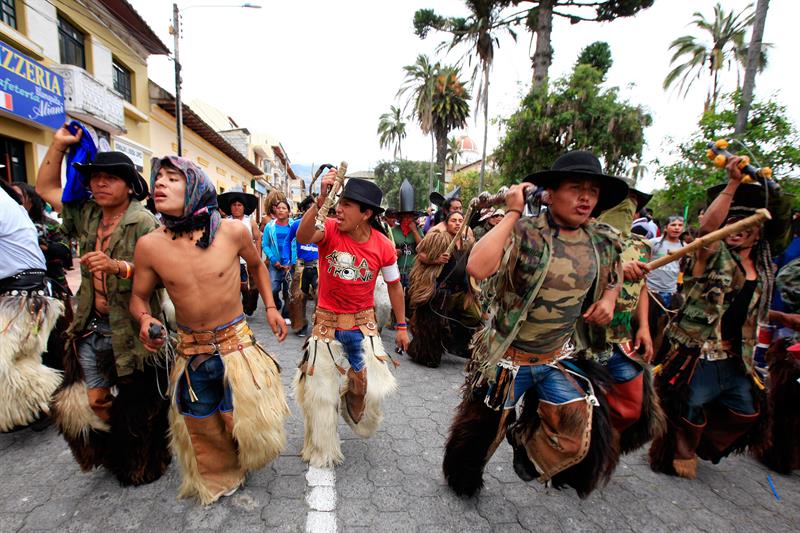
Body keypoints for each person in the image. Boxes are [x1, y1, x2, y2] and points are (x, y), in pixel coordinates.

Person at [442, 150, 627, 499]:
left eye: (593, 190)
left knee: (577, 434)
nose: (585, 197)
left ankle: (525, 441)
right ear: (550, 193)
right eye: (575, 188)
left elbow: (615, 276)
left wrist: (609, 299)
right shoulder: (525, 232)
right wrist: (513, 211)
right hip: (508, 358)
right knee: (480, 437)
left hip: (558, 357)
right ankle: (465, 477)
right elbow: (477, 268)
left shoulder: (601, 241)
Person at [130, 156, 289, 504]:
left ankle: (244, 456)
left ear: (196, 186)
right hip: (191, 351)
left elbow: (258, 266)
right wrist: (145, 320)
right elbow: (139, 299)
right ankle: (219, 476)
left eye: (172, 179)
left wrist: (273, 308)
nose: (159, 184)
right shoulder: (149, 246)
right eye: (158, 179)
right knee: (200, 421)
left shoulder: (233, 231)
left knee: (240, 420)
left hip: (236, 346)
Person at [35, 124, 171, 486]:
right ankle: (114, 449)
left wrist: (119, 267)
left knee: (141, 403)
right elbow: (45, 189)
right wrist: (59, 145)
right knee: (95, 400)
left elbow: (162, 273)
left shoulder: (144, 222)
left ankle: (144, 458)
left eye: (109, 179)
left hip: (132, 329)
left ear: (128, 186)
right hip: (91, 326)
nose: (99, 184)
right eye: (95, 178)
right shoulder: (88, 216)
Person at [649, 157, 792, 480]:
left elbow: (782, 222)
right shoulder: (712, 255)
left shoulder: (764, 265)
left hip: (738, 355)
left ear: (758, 232)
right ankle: (680, 451)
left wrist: (772, 190)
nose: (737, 229)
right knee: (688, 407)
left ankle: (703, 445)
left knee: (747, 411)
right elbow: (708, 230)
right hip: (700, 352)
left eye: (746, 223)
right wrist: (731, 184)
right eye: (733, 220)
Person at [294, 173, 409, 468]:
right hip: (326, 327)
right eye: (338, 203)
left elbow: (395, 286)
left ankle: (349, 401)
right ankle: (322, 450)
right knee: (321, 395)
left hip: (362, 327)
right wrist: (321, 200)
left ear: (366, 213)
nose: (339, 210)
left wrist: (402, 326)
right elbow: (303, 236)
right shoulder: (329, 229)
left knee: (363, 390)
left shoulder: (383, 245)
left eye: (346, 204)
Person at [597, 182, 666, 455]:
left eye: (634, 201)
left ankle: (601, 447)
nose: (628, 206)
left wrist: (645, 328)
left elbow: (642, 288)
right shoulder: (587, 240)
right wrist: (615, 269)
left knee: (631, 407)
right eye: (623, 200)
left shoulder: (641, 247)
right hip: (582, 338)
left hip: (620, 339)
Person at [0, 182, 64, 432]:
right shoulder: (11, 206)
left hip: (21, 297)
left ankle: (54, 396)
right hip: (26, 294)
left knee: (11, 364)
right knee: (19, 360)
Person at [10, 182, 73, 373]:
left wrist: (44, 247)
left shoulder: (49, 224)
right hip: (14, 297)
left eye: (19, 196)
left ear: (30, 199)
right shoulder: (9, 226)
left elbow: (65, 251)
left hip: (52, 291)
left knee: (57, 343)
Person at [407, 211, 480, 367]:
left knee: (474, 317)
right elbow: (421, 254)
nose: (458, 223)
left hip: (460, 291)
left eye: (460, 220)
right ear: (447, 223)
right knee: (433, 325)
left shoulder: (467, 242)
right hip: (440, 290)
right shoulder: (439, 237)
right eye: (453, 220)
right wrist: (436, 259)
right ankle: (424, 354)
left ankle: (457, 346)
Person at [218, 185, 262, 316]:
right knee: (233, 286)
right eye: (234, 205)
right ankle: (235, 310)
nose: (236, 207)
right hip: (231, 260)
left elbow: (258, 238)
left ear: (244, 207)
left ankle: (248, 306)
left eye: (239, 205)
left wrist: (258, 255)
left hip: (247, 259)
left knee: (248, 288)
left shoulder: (250, 221)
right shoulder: (224, 222)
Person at [283, 195, 319, 337]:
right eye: (309, 209)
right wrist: (286, 260)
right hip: (301, 265)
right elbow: (287, 241)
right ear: (304, 211)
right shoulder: (297, 224)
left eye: (315, 209)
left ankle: (320, 327)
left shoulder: (323, 224)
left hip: (319, 266)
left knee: (320, 296)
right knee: (297, 296)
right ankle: (299, 325)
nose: (312, 212)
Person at [262, 199, 293, 321]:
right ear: (275, 210)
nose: (281, 210)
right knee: (273, 288)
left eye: (284, 208)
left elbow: (297, 244)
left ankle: (286, 314)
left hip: (289, 264)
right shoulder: (270, 227)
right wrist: (273, 259)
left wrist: (291, 262)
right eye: (279, 208)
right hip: (275, 264)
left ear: (289, 212)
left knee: (288, 290)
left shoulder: (294, 226)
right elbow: (265, 244)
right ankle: (277, 303)